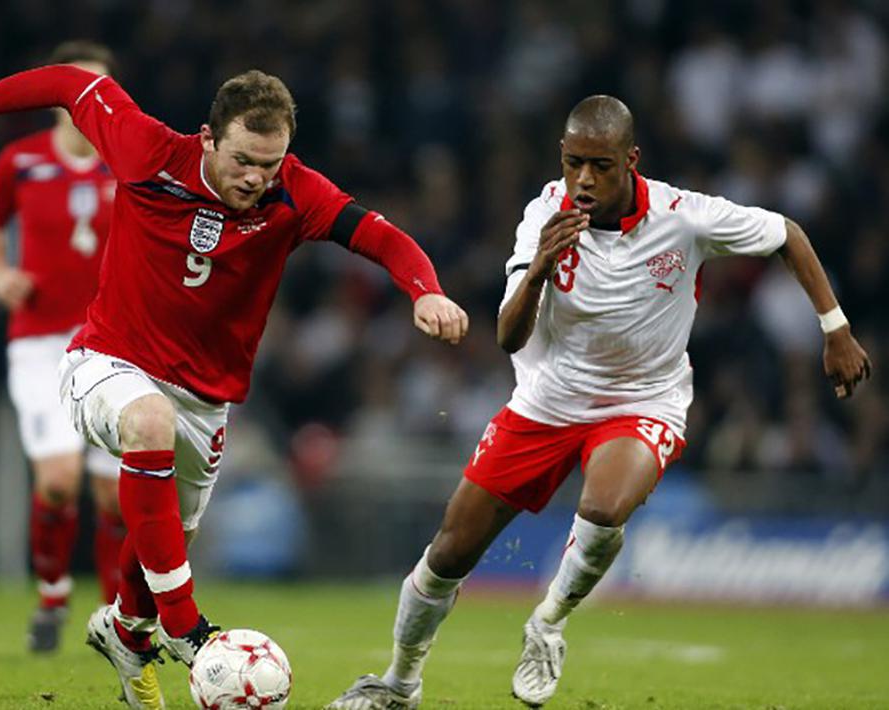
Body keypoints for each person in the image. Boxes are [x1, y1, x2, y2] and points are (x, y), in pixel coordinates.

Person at [0, 64, 469, 707]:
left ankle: (126, 632)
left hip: (206, 402)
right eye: (243, 160)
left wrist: (425, 290)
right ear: (208, 138)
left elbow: (378, 235)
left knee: (164, 536)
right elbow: (69, 84)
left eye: (269, 164)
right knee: (148, 423)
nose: (255, 177)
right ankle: (187, 628)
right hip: (105, 363)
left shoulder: (294, 192)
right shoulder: (149, 151)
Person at [328, 95, 872, 709]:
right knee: (448, 553)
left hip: (643, 400)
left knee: (604, 505)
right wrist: (540, 266)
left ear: (630, 160)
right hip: (545, 402)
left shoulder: (684, 217)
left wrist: (835, 328)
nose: (583, 179)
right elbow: (508, 336)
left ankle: (548, 622)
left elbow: (787, 234)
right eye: (573, 163)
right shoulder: (545, 215)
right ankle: (398, 685)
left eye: (600, 165)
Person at [0, 40, 125, 653]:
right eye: (76, 88)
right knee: (59, 481)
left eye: (100, 89)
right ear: (55, 98)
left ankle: (117, 619)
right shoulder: (20, 161)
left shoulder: (129, 163)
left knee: (114, 494)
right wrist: (0, 276)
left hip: (113, 344)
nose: (88, 100)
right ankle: (52, 595)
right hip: (39, 342)